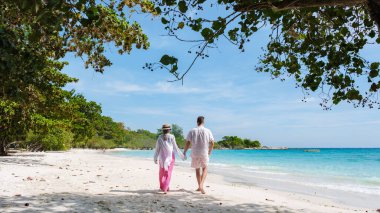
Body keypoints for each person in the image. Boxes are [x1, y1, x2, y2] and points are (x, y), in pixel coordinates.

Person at [183, 116, 214, 194]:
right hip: (204, 152)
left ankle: (199, 187)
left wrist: (184, 151)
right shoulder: (208, 131)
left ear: (197, 122)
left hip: (195, 152)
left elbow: (188, 142)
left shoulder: (192, 131)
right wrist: (209, 151)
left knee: (197, 169)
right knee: (205, 168)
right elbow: (212, 142)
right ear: (203, 122)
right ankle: (201, 185)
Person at [154, 124, 186, 194]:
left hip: (162, 157)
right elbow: (175, 147)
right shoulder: (172, 137)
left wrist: (155, 158)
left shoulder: (159, 137)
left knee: (161, 172)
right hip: (170, 157)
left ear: (162, 130)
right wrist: (182, 156)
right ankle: (166, 187)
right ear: (169, 130)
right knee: (168, 172)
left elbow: (157, 149)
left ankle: (163, 186)